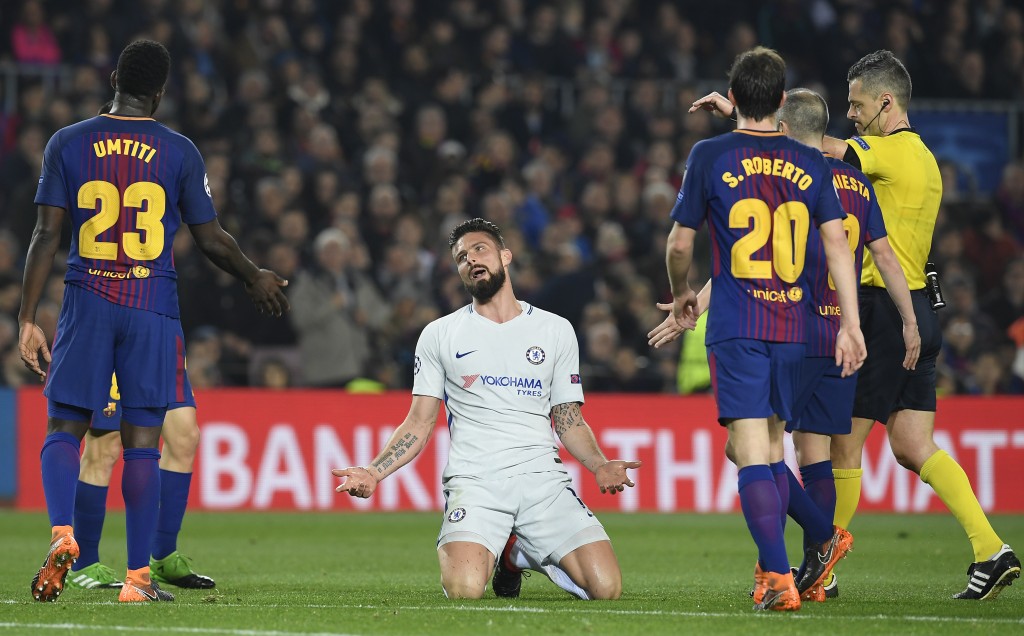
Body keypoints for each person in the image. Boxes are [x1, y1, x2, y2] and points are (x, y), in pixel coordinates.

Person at [18, 39, 288, 603]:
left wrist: (25, 318)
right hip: (151, 308)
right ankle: (138, 579)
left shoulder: (66, 142)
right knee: (143, 444)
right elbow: (210, 239)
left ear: (114, 76)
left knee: (66, 426)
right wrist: (253, 274)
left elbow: (47, 236)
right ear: (160, 93)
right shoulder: (179, 151)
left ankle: (63, 533)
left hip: (87, 298)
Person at [647, 47, 866, 612]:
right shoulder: (812, 162)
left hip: (740, 325)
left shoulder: (710, 154)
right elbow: (838, 245)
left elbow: (678, 243)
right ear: (783, 101)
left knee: (750, 452)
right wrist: (851, 323)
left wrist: (681, 298)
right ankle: (824, 536)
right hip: (795, 330)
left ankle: (778, 575)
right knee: (765, 449)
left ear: (736, 97)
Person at [683, 88, 922, 602]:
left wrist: (697, 304)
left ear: (781, 127)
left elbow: (755, 248)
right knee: (814, 455)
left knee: (750, 448)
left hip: (791, 326)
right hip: (842, 331)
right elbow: (883, 255)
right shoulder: (856, 181)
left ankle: (806, 549)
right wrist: (910, 320)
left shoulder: (793, 177)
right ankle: (819, 574)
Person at [332, 217, 641, 601]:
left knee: (607, 589)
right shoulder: (440, 334)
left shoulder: (555, 330)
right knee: (464, 591)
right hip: (475, 483)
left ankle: (516, 554)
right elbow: (419, 421)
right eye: (461, 257)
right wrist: (374, 471)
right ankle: (506, 548)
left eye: (479, 249)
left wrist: (599, 464)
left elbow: (568, 418)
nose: (471, 259)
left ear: (505, 256)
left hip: (542, 482)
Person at [819, 50, 1019, 600]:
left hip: (884, 310)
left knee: (845, 445)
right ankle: (991, 549)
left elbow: (829, 148)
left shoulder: (890, 152)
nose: (851, 113)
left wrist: (758, 127)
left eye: (857, 104)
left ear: (886, 103)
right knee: (912, 444)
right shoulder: (926, 159)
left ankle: (822, 571)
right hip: (918, 313)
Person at [68, 369, 214, 591]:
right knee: (104, 447)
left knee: (185, 437)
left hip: (161, 344)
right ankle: (84, 564)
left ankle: (164, 557)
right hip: (116, 348)